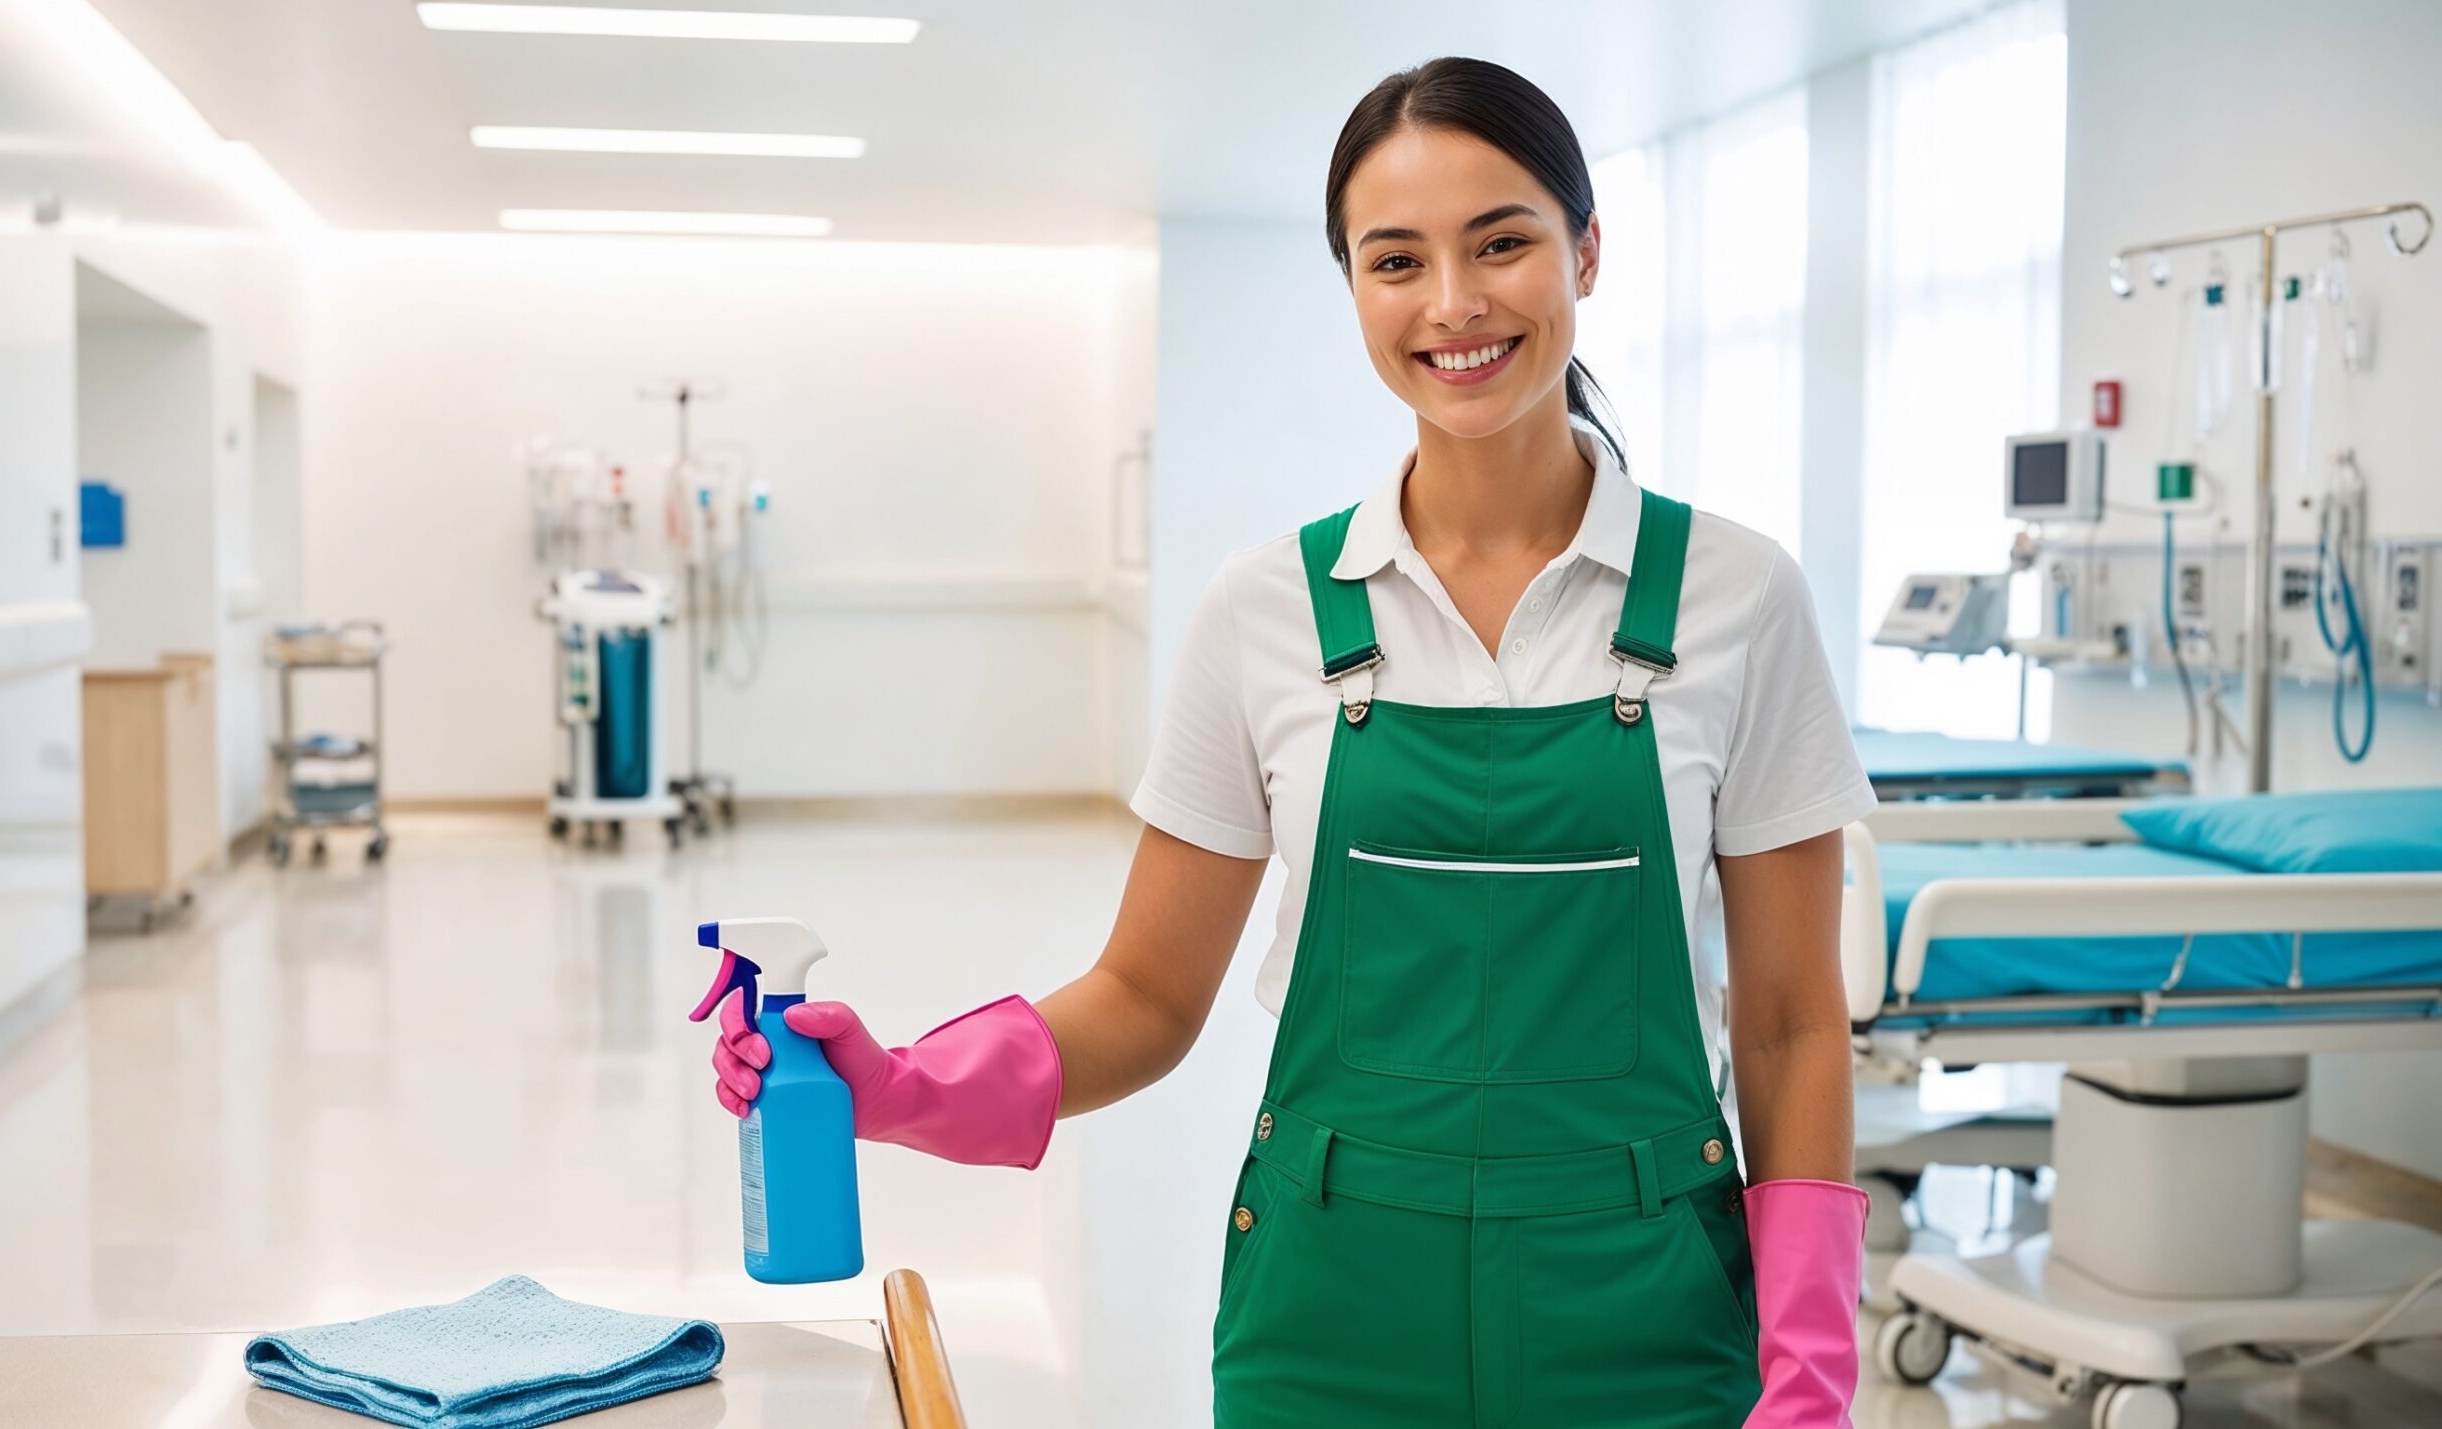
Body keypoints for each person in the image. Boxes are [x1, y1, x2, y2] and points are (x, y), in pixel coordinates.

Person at [707, 56, 1873, 1429]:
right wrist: (901, 1088)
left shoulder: (1738, 598)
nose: (1455, 304)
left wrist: (1809, 1370)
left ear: (1588, 250)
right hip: (1334, 1316)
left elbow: (1794, 1024)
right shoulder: (1267, 613)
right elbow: (1145, 993)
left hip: (1649, 1315)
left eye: (1502, 241)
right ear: (1355, 288)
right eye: (1398, 260)